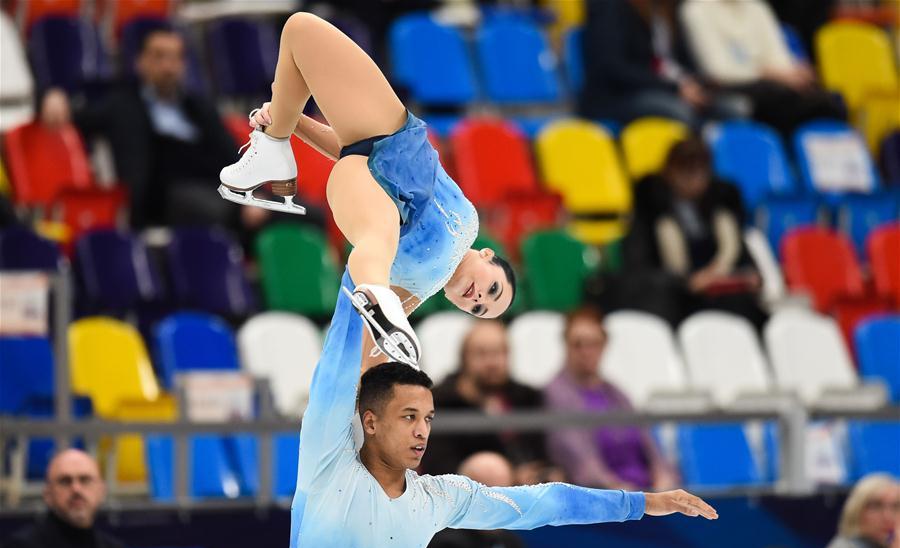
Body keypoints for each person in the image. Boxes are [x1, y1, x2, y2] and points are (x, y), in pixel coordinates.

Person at [277, 274, 718, 548]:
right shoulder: (328, 467)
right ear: (369, 421)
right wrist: (371, 266)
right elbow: (336, 364)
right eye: (408, 416)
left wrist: (641, 503)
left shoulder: (437, 499)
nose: (421, 431)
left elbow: (545, 503)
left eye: (428, 418)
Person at [218, 12, 516, 367]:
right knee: (299, 33)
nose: (478, 297)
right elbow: (356, 151)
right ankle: (274, 145)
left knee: (376, 241)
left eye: (478, 308)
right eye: (492, 288)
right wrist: (294, 122)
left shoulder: (415, 291)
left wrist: (364, 389)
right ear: (486, 255)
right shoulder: (469, 225)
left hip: (369, 184)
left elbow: (364, 350)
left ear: (456, 305)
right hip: (389, 134)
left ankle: (274, 146)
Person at [39, 25, 269, 238]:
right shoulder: (122, 105)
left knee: (296, 207)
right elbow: (75, 116)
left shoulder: (199, 107)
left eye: (175, 58)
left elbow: (231, 152)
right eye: (159, 57)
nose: (168, 67)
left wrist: (253, 192)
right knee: (221, 212)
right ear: (140, 62)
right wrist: (52, 96)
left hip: (215, 185)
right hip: (165, 195)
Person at [617, 137, 767, 329]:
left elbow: (741, 258)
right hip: (676, 298)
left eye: (701, 172)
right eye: (686, 172)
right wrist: (686, 283)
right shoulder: (651, 210)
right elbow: (639, 268)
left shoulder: (720, 208)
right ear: (669, 171)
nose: (694, 180)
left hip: (721, 294)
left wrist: (747, 277)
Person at [545, 306, 679, 491]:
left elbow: (653, 450)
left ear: (605, 345)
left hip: (646, 493)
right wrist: (623, 494)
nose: (586, 351)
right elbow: (578, 460)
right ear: (565, 345)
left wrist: (663, 480)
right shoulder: (554, 394)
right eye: (578, 344)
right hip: (605, 498)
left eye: (594, 343)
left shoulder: (618, 394)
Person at [419, 320, 561, 484]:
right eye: (482, 353)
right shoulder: (440, 401)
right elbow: (439, 466)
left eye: (498, 353)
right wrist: (511, 475)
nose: (492, 362)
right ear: (464, 358)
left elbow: (544, 453)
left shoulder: (527, 397)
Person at [680, 0, 846, 138]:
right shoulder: (696, 10)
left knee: (825, 99)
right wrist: (768, 73)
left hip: (771, 84)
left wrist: (793, 73)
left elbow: (779, 58)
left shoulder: (758, 7)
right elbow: (717, 70)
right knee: (790, 101)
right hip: (728, 87)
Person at [579, 0, 747, 128]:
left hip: (668, 90)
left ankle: (725, 167)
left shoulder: (668, 8)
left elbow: (680, 62)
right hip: (620, 96)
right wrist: (675, 89)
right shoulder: (609, 6)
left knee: (733, 107)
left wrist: (696, 83)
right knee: (679, 112)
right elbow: (614, 68)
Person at [0, 449, 133, 548]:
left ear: (101, 491)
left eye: (85, 480)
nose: (76, 489)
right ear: (48, 494)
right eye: (65, 481)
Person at [406, 452, 533, 548]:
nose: (498, 506)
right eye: (486, 496)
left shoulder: (510, 540)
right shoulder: (446, 547)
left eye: (506, 495)